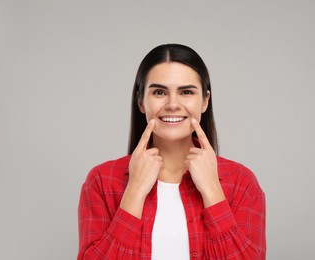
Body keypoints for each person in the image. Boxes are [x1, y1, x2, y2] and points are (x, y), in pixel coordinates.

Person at [77, 44, 266, 259]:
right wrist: (135, 190)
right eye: (159, 92)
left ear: (204, 101)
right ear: (141, 101)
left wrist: (213, 190)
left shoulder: (242, 183)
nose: (173, 104)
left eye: (186, 92)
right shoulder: (102, 181)